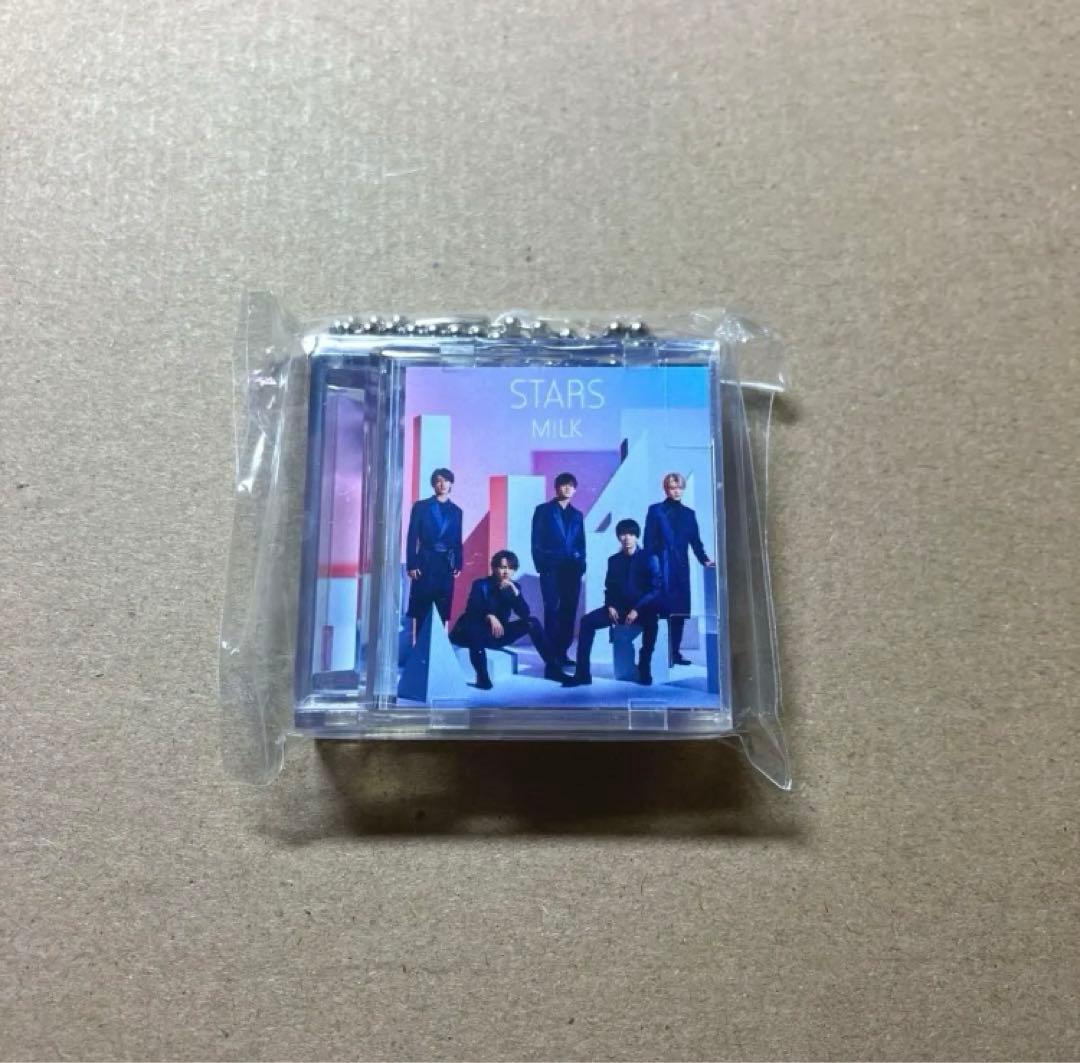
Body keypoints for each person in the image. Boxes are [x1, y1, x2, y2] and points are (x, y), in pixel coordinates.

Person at [562, 519, 662, 687]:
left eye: (631, 534)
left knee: (652, 624)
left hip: (643, 609)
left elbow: (655, 589)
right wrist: (610, 606)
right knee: (586, 622)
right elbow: (610, 588)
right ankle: (582, 674)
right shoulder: (614, 560)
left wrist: (637, 610)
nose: (627, 538)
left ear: (637, 536)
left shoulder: (649, 558)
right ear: (618, 537)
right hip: (619, 609)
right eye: (623, 534)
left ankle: (644, 666)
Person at [449, 551, 569, 690]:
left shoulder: (513, 587)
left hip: (497, 634)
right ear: (494, 568)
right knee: (474, 627)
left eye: (511, 568)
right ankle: (482, 677)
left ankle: (553, 668)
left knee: (532, 622)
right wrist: (489, 616)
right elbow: (471, 610)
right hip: (474, 634)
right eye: (503, 567)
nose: (506, 572)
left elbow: (525, 614)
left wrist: (516, 594)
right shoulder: (480, 585)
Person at [643, 472, 715, 665]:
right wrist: (649, 567)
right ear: (666, 489)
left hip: (681, 568)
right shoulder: (655, 510)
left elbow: (695, 542)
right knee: (660, 611)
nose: (676, 491)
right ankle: (659, 655)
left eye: (679, 488)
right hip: (660, 566)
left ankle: (674, 653)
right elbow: (648, 541)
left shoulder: (689, 514)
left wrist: (705, 560)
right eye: (672, 488)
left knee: (679, 611)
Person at [530, 472, 586, 667]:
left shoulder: (577, 515)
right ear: (556, 488)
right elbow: (536, 540)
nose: (567, 488)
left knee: (569, 610)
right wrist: (542, 565)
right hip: (551, 568)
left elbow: (581, 543)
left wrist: (581, 565)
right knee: (552, 609)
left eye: (571, 485)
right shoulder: (543, 510)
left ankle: (562, 652)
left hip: (572, 570)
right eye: (564, 485)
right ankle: (551, 655)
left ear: (575, 489)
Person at [404, 468, 463, 639]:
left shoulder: (456, 511)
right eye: (438, 481)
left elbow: (457, 540)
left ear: (451, 484)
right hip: (425, 561)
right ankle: (419, 649)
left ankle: (437, 647)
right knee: (422, 608)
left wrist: (458, 563)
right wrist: (412, 564)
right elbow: (412, 537)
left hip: (446, 564)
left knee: (442, 609)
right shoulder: (421, 507)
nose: (442, 484)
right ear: (433, 484)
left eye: (446, 480)